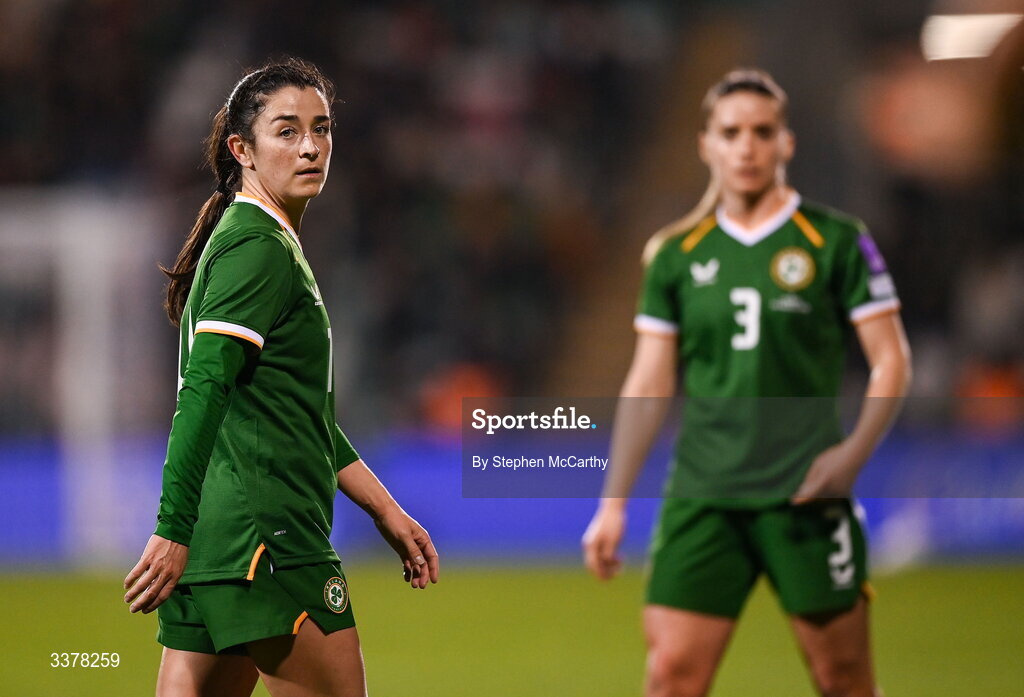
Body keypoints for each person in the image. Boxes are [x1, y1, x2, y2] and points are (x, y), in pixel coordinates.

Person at [582, 69, 911, 697]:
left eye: (763, 132)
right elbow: (649, 380)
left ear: (787, 142)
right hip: (704, 495)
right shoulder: (674, 253)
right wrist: (613, 503)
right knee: (672, 675)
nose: (747, 146)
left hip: (807, 494)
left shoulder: (837, 241)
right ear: (705, 143)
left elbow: (890, 359)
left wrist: (852, 455)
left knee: (844, 679)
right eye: (731, 132)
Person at [123, 57, 439, 697]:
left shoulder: (245, 237)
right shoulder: (259, 246)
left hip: (219, 549)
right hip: (269, 541)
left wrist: (384, 509)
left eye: (321, 129)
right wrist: (170, 527)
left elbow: (298, 414)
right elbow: (202, 392)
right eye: (287, 131)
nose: (312, 147)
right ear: (242, 148)